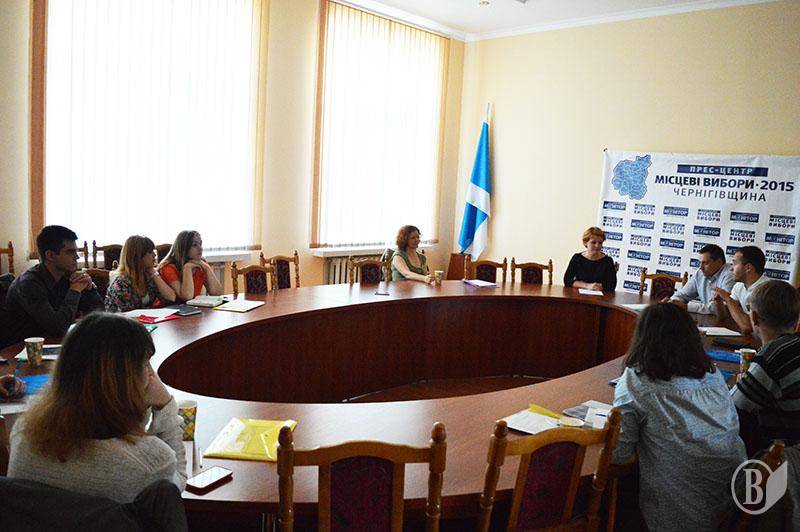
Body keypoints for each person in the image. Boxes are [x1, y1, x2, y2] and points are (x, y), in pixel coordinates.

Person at [8, 313, 187, 503]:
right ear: (123, 381)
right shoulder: (150, 463)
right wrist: (165, 406)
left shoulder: (23, 433)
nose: (151, 374)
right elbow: (176, 485)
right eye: (145, 364)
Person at [611, 302, 746, 531]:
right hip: (732, 511)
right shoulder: (713, 375)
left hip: (679, 517)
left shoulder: (637, 382)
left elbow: (620, 454)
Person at [1, 225, 102, 348]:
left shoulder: (67, 276)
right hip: (20, 350)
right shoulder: (29, 283)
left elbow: (100, 316)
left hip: (51, 344)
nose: (77, 257)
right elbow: (57, 329)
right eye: (70, 252)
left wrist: (90, 289)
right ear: (50, 255)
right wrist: (75, 290)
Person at [731, 280, 800, 456]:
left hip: (783, 457)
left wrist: (744, 385)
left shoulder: (772, 355)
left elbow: (731, 407)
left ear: (753, 317)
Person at [105, 236, 177, 312]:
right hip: (121, 319)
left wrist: (153, 272)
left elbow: (171, 298)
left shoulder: (148, 275)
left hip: (144, 318)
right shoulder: (121, 282)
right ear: (138, 256)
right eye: (150, 252)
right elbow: (128, 312)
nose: (154, 255)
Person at [711, 246, 768, 335]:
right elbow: (724, 317)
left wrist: (728, 299)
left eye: (734, 264)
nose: (731, 268)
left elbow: (748, 327)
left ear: (748, 267)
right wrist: (719, 303)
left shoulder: (766, 290)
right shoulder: (739, 286)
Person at [668, 243, 734, 314]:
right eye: (700, 262)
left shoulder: (730, 274)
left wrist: (687, 307)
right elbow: (681, 295)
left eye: (705, 263)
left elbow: (723, 307)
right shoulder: (700, 273)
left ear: (719, 262)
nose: (700, 267)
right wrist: (673, 302)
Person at [157, 230, 223, 301]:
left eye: (200, 244)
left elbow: (217, 293)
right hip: (169, 307)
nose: (200, 248)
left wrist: (207, 268)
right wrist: (187, 267)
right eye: (194, 245)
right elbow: (186, 297)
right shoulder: (168, 268)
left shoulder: (201, 263)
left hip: (191, 306)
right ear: (183, 248)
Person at [563, 226, 617, 292]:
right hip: (578, 295)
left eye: (600, 243)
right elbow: (567, 280)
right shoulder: (577, 258)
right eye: (593, 242)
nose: (597, 246)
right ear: (585, 243)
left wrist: (600, 286)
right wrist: (587, 285)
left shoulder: (608, 261)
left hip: (600, 296)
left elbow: (612, 285)